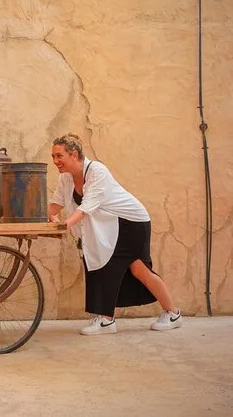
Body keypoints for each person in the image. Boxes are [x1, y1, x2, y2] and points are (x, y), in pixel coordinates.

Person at [48, 133, 182, 336]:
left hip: (130, 222)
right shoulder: (65, 178)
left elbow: (86, 207)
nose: (55, 161)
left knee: (135, 268)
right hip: (108, 225)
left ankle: (170, 314)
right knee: (111, 265)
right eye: (53, 157)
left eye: (59, 156)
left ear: (74, 154)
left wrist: (64, 225)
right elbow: (55, 204)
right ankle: (108, 319)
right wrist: (40, 219)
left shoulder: (97, 171)